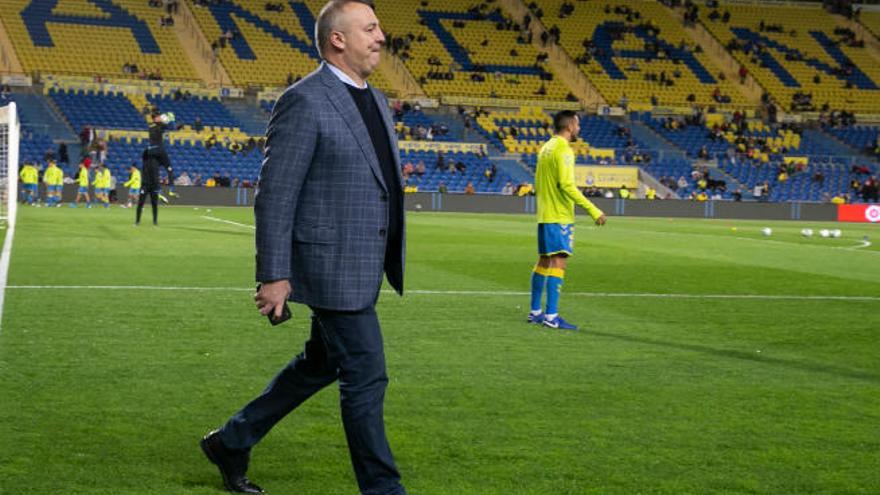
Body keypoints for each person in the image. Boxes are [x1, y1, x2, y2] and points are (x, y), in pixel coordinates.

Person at [199, 2, 407, 494]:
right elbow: (276, 192)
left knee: (322, 364)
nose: (382, 36)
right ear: (338, 39)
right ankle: (383, 489)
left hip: (362, 262)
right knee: (366, 374)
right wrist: (274, 273)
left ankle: (232, 440)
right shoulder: (305, 100)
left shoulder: (374, 100)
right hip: (329, 266)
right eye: (371, 28)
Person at [529, 111, 606, 331]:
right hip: (559, 216)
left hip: (545, 215)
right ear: (570, 125)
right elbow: (567, 185)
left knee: (544, 261)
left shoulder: (545, 148)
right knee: (559, 262)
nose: (579, 129)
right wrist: (593, 210)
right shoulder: (563, 150)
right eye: (578, 125)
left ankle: (536, 312)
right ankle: (551, 316)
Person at [145, 111, 178, 203]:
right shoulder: (159, 125)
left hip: (151, 151)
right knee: (169, 169)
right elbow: (173, 128)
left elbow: (162, 128)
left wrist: (166, 122)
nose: (160, 118)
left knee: (155, 172)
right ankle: (171, 190)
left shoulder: (151, 125)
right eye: (159, 117)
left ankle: (159, 191)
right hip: (159, 150)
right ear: (155, 118)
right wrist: (172, 120)